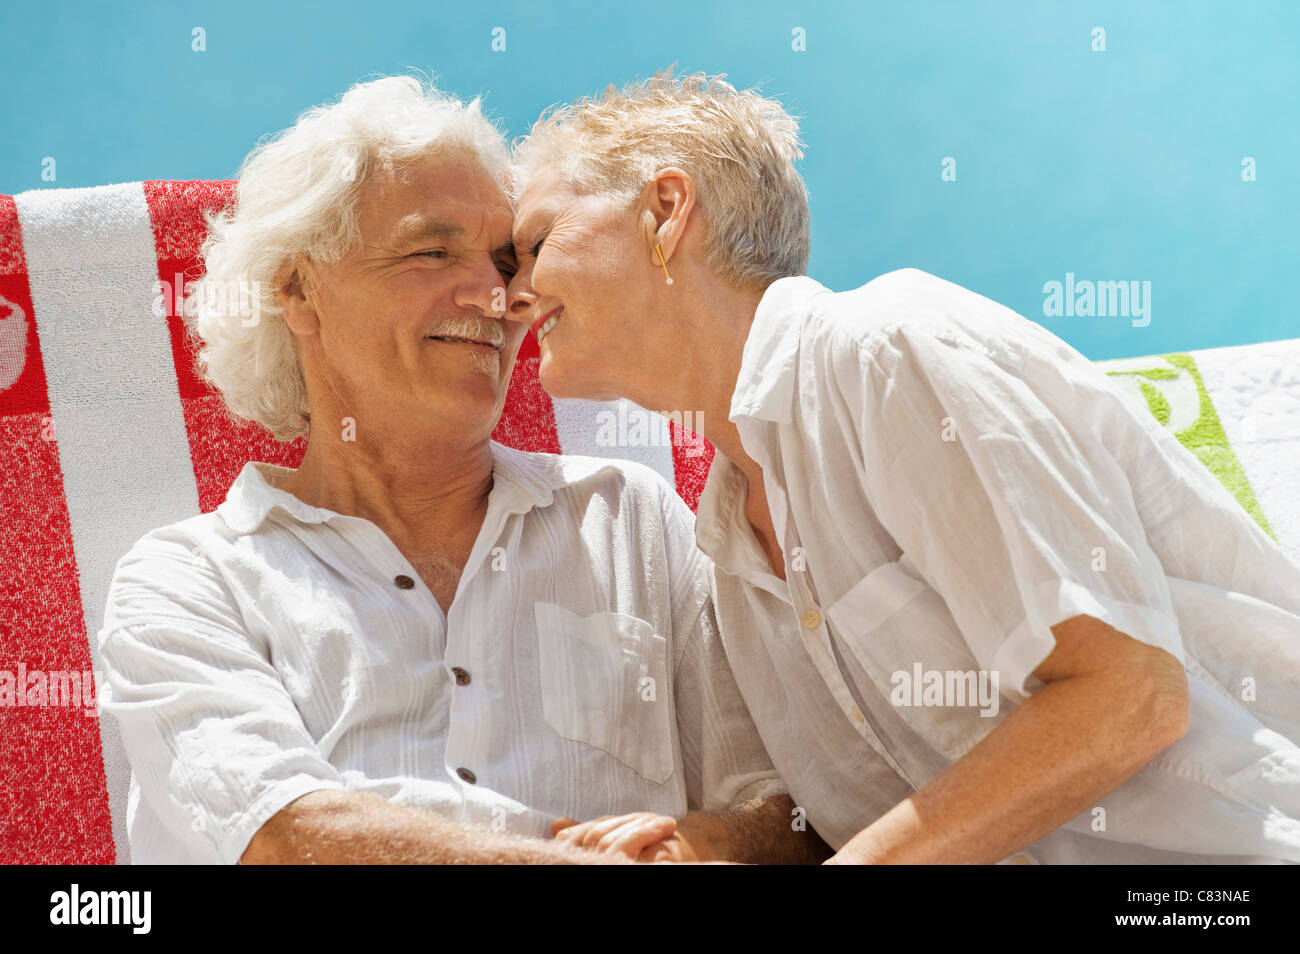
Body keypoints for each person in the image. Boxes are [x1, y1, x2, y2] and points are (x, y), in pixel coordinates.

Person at [506, 68, 1300, 864]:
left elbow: (1128, 696)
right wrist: (696, 844)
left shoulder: (880, 349)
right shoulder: (726, 559)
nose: (512, 295)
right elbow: (866, 819)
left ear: (666, 211)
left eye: (534, 246)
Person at [96, 76, 822, 865]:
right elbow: (285, 840)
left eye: (508, 262)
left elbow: (790, 808)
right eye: (432, 251)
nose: (497, 295)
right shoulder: (189, 578)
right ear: (298, 290)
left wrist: (701, 842)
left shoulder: (631, 518)